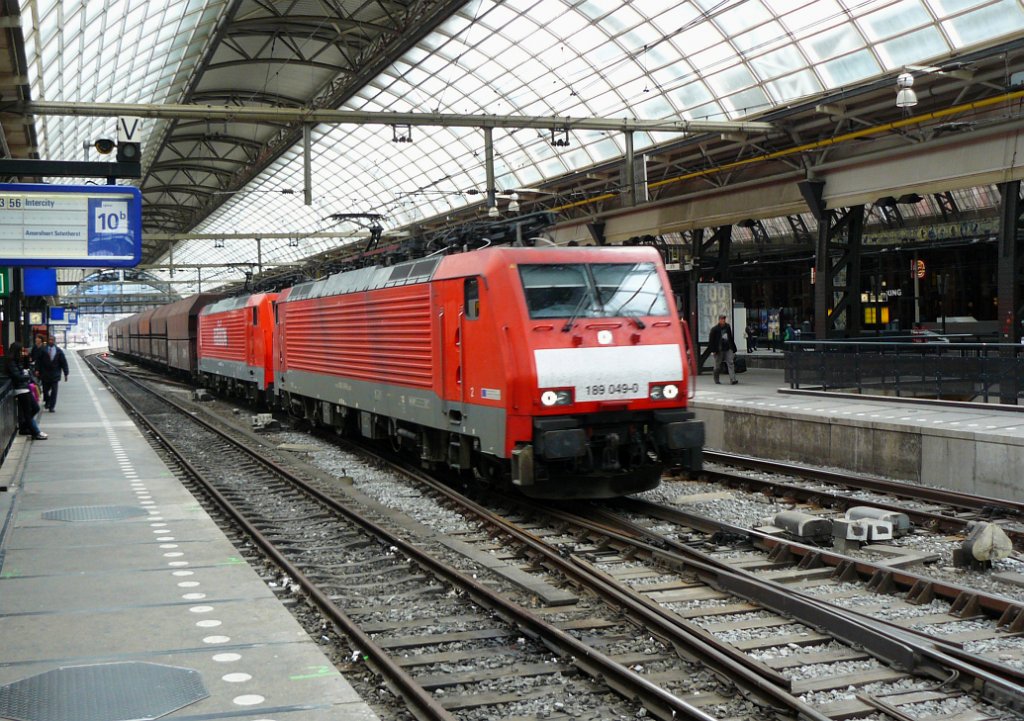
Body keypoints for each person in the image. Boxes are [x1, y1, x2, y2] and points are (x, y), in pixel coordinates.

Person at [4, 341, 46, 439]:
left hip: (25, 388)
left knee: (35, 408)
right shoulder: (11, 362)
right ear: (17, 350)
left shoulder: (17, 360)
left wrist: (26, 357)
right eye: (21, 350)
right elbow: (17, 376)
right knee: (28, 411)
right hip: (20, 389)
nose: (22, 352)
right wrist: (26, 376)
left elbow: (26, 367)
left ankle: (24, 426)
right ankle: (35, 432)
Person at [35, 334, 69, 412]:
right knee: (45, 390)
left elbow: (63, 362)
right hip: (45, 374)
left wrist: (66, 373)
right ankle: (47, 401)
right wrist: (37, 370)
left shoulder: (59, 351)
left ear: (54, 341)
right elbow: (38, 361)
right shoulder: (43, 350)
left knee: (54, 391)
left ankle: (52, 406)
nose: (50, 341)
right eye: (49, 340)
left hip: (55, 374)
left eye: (52, 340)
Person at [708, 314, 738, 385]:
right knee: (717, 365)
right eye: (721, 319)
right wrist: (713, 350)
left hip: (728, 348)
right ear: (719, 320)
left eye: (724, 319)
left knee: (730, 363)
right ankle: (716, 379)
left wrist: (733, 348)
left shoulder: (727, 327)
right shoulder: (714, 329)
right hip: (719, 349)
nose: (723, 320)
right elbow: (711, 341)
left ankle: (733, 379)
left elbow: (730, 337)